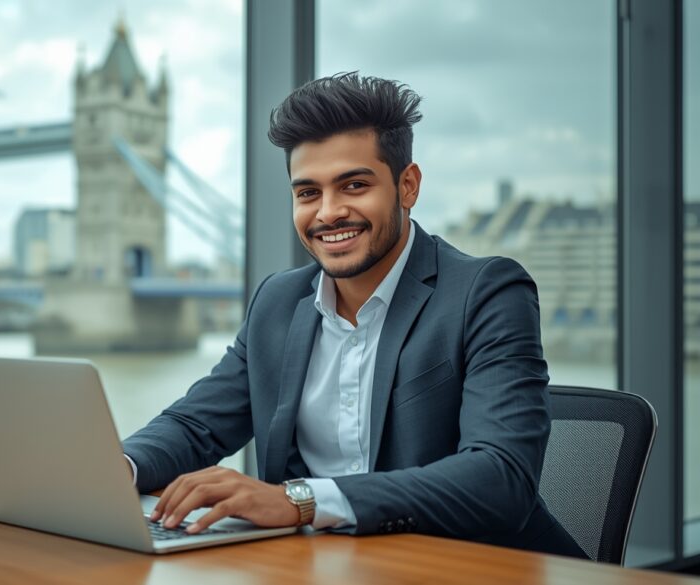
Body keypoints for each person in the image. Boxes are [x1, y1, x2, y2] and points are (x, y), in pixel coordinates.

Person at [121, 72, 587, 558]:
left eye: (354, 185)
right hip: (324, 567)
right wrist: (115, 468)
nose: (328, 212)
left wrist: (299, 501)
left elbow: (500, 477)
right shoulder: (277, 302)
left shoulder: (487, 293)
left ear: (407, 186)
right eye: (307, 193)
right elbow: (197, 425)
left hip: (470, 568)